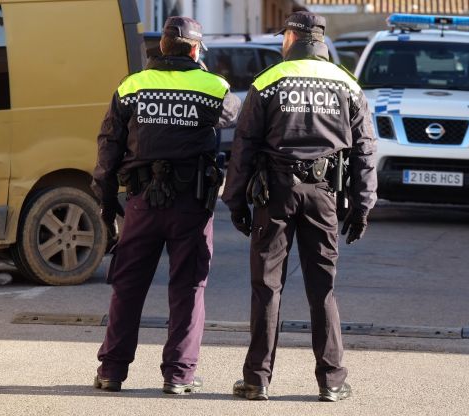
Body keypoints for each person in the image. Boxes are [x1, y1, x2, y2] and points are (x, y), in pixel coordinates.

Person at [222, 11, 377, 402]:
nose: (280, 43)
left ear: (293, 38)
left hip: (274, 193)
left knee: (266, 288)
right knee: (322, 288)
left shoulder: (269, 81)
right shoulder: (347, 84)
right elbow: (364, 151)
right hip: (324, 194)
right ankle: (333, 382)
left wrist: (234, 200)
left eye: (283, 37)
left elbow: (243, 148)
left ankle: (257, 381)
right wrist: (362, 205)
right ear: (320, 41)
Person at [91, 16, 240, 394]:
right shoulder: (213, 86)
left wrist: (108, 205)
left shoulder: (132, 86)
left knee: (127, 287)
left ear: (161, 48)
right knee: (188, 288)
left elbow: (108, 148)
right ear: (195, 50)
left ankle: (111, 372)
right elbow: (237, 119)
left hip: (141, 203)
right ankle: (178, 376)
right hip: (191, 204)